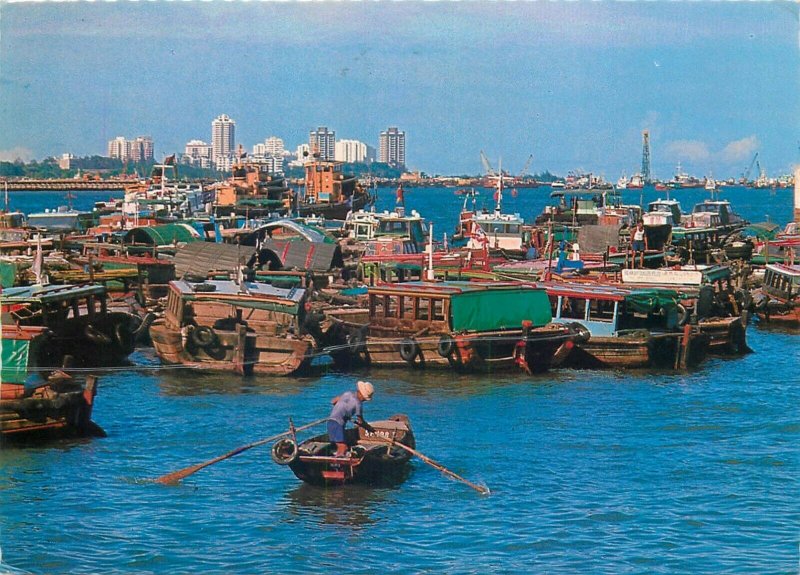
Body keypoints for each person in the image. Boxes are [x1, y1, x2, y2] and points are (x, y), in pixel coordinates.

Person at [328, 380, 375, 457]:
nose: (364, 401)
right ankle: (339, 461)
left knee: (341, 446)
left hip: (331, 422)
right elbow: (361, 421)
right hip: (338, 424)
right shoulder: (358, 405)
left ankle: (338, 457)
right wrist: (368, 428)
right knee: (343, 448)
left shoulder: (347, 394)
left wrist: (343, 412)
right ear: (361, 395)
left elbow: (333, 401)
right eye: (364, 399)